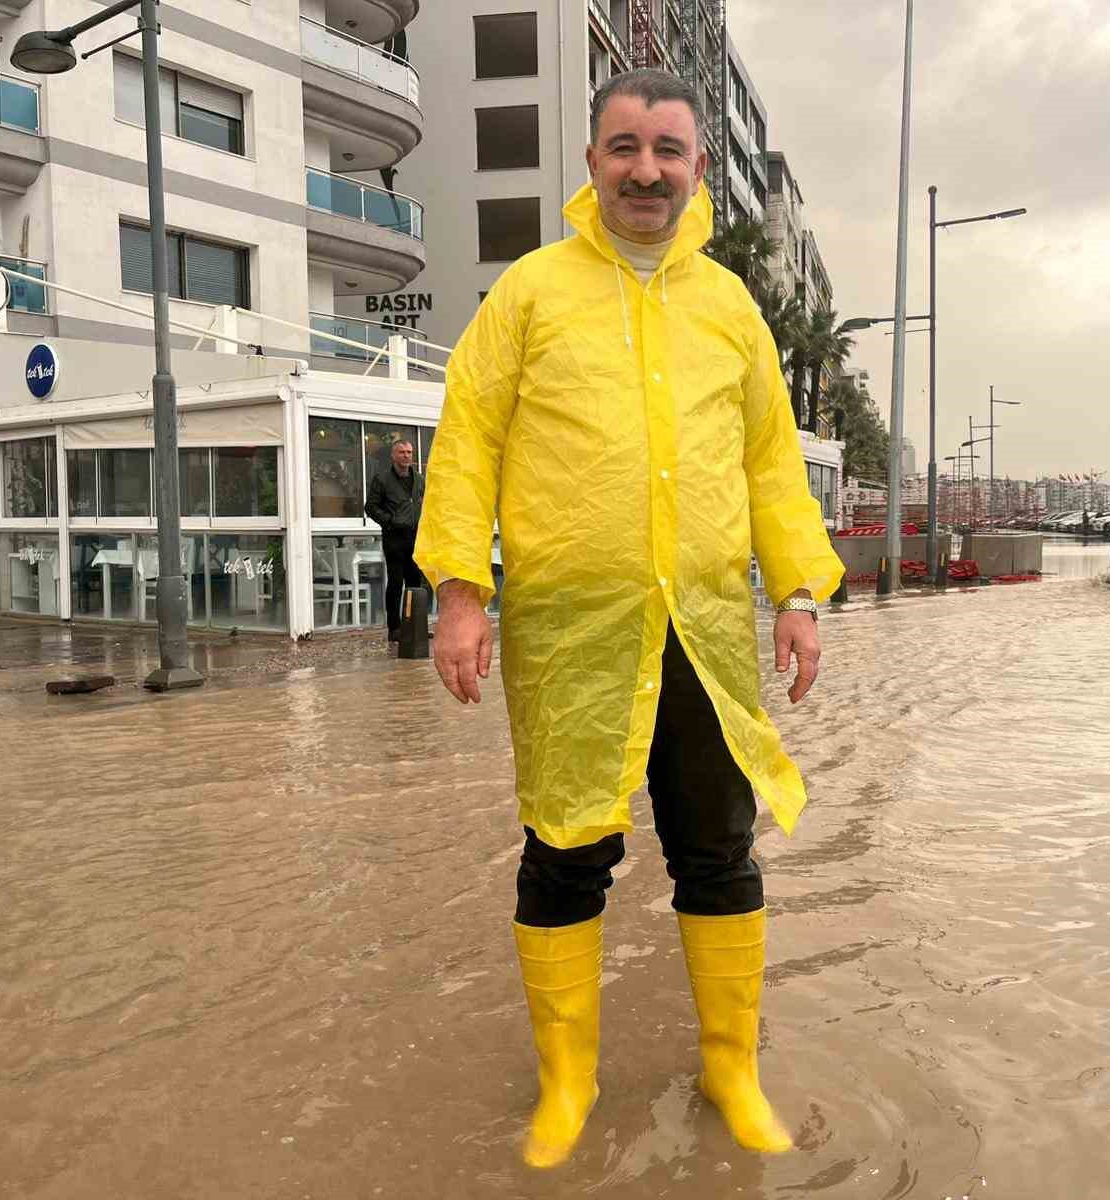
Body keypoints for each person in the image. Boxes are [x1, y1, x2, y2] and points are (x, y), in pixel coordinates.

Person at [415, 69, 843, 1169]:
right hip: (571, 638)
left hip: (704, 629)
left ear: (698, 166)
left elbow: (768, 461)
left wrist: (796, 593)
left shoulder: (730, 306)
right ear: (592, 161)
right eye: (623, 147)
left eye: (667, 149)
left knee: (721, 851)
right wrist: (460, 593)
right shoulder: (530, 294)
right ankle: (566, 1085)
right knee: (563, 852)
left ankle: (730, 1069)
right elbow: (468, 439)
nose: (646, 169)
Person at [365, 437, 424, 642]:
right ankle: (394, 628)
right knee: (396, 583)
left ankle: (416, 627)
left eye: (409, 452)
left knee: (415, 583)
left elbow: (424, 502)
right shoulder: (382, 480)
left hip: (415, 537)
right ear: (393, 456)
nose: (406, 456)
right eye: (402, 452)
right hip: (394, 538)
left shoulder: (418, 479)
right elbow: (370, 507)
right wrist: (389, 521)